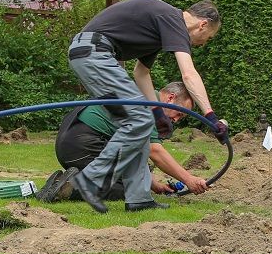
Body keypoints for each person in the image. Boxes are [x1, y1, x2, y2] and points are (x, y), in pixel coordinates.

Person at [51, 0, 230, 213]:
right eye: (208, 38)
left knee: (139, 123)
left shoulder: (160, 27)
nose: (203, 43)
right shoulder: (175, 21)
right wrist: (211, 116)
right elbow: (188, 74)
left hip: (88, 52)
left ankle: (139, 199)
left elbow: (141, 73)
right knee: (139, 120)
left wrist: (157, 112)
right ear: (202, 24)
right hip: (94, 52)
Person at [43, 82, 209, 206]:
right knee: (128, 189)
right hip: (84, 144)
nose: (176, 120)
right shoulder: (150, 106)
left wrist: (153, 184)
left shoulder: (141, 94)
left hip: (71, 140)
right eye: (179, 113)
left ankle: (65, 180)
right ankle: (70, 186)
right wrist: (189, 179)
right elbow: (155, 151)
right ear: (170, 98)